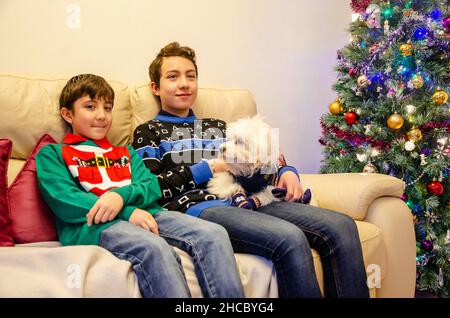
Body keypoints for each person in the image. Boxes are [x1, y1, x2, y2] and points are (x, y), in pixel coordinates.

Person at [132, 42, 370, 298]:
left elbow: (261, 155)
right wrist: (210, 168)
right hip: (204, 207)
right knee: (289, 238)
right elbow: (153, 188)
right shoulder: (148, 132)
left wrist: (286, 171)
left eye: (191, 76)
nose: (184, 84)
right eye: (173, 77)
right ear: (156, 88)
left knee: (342, 225)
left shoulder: (220, 126)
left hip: (255, 197)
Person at [36, 73, 244, 298]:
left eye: (107, 108)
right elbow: (64, 199)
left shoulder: (126, 152)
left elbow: (150, 185)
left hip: (149, 213)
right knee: (153, 247)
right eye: (90, 106)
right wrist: (126, 210)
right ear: (68, 114)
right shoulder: (52, 153)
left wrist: (121, 197)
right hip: (94, 226)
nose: (101, 115)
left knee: (213, 233)